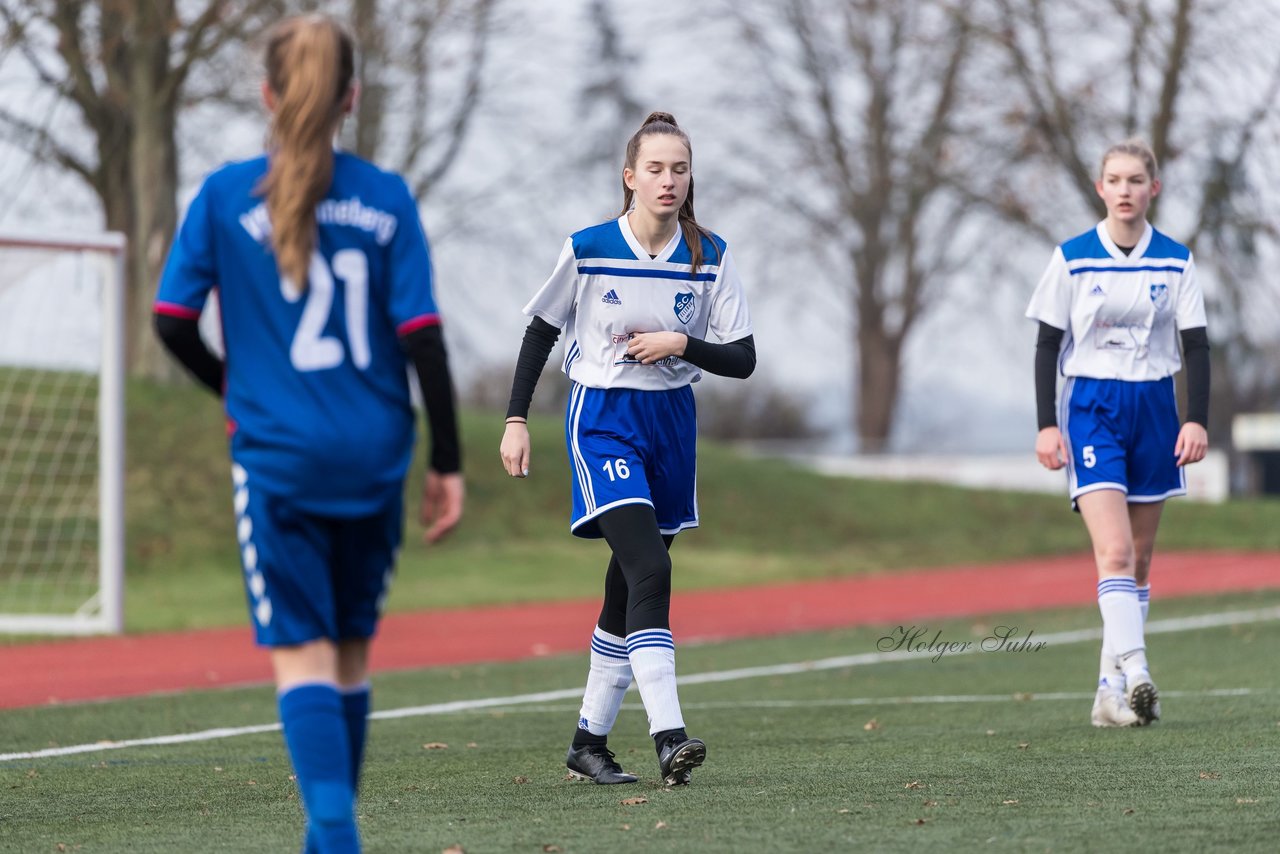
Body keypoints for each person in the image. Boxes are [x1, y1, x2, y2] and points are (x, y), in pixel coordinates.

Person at [153, 15, 464, 852]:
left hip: (280, 457)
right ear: (351, 99)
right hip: (375, 451)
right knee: (352, 653)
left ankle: (334, 833)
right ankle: (330, 834)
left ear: (266, 95)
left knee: (303, 655)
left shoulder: (223, 197)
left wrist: (238, 385)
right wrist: (449, 459)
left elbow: (172, 321)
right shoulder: (388, 198)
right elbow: (423, 337)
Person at [500, 112, 755, 785]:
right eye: (655, 168)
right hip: (603, 417)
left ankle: (588, 743)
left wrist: (681, 344)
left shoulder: (711, 255)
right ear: (629, 177)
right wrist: (515, 418)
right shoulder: (588, 248)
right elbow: (540, 330)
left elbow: (744, 357)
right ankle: (670, 736)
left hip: (672, 422)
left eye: (679, 168)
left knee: (627, 585)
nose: (668, 180)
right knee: (650, 570)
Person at [1026, 138, 1209, 728]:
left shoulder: (1176, 260)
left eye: (1136, 180)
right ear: (1100, 188)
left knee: (1143, 559)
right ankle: (1138, 670)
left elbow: (1197, 344)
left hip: (1155, 406)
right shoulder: (1073, 257)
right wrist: (1046, 425)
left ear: (1153, 188)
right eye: (1115, 180)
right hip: (1092, 407)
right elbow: (1048, 343)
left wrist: (1196, 416)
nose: (1125, 190)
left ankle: (1108, 693)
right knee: (1115, 552)